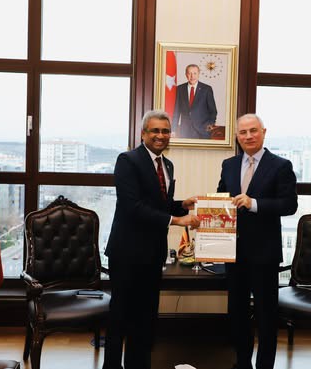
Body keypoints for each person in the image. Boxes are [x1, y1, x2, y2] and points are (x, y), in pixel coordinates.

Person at [102, 110, 200, 369]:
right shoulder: (128, 160)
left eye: (165, 131)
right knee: (120, 316)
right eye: (155, 130)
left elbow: (160, 205)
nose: (160, 135)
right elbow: (132, 207)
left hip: (153, 252)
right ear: (143, 133)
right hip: (127, 252)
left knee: (146, 316)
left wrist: (183, 205)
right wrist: (177, 220)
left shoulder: (167, 165)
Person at [217, 114, 298, 369]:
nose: (248, 136)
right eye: (243, 132)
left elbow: (289, 205)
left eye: (253, 130)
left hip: (264, 254)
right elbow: (221, 198)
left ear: (264, 132)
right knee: (238, 314)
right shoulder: (229, 164)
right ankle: (242, 363)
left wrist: (254, 204)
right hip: (234, 253)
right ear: (237, 136)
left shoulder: (280, 166)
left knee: (266, 316)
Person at [172, 64, 217, 139]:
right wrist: (173, 130)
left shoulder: (207, 89)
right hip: (185, 132)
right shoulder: (180, 89)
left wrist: (208, 127)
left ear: (199, 74)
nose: (192, 76)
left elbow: (213, 111)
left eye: (195, 73)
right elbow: (176, 111)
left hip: (202, 132)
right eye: (189, 73)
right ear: (186, 74)